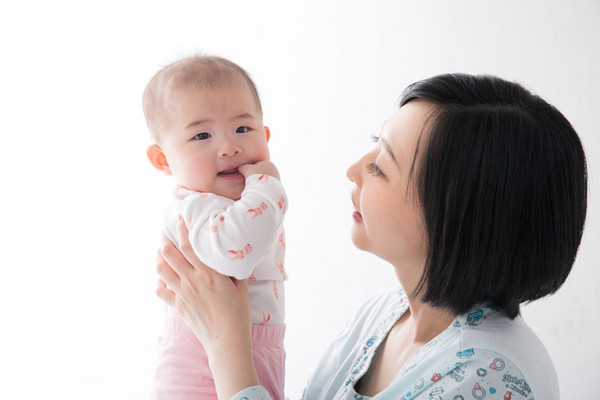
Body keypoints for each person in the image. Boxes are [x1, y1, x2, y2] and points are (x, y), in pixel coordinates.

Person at [155, 73, 587, 399]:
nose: (354, 170)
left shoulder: (488, 380)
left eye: (381, 165)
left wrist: (226, 345)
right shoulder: (388, 312)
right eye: (374, 143)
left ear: (458, 214)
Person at [143, 55, 288, 399]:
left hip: (254, 346)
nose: (229, 148)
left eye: (243, 129)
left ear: (265, 136)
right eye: (202, 135)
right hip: (197, 365)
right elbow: (235, 254)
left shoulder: (237, 203)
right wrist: (268, 187)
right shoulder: (193, 205)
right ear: (163, 159)